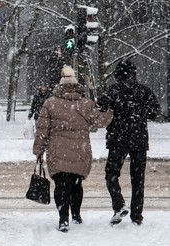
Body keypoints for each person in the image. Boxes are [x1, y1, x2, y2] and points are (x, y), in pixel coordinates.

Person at [33, 65, 113, 233]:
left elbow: (42, 129)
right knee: (76, 184)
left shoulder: (50, 103)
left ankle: (63, 218)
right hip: (80, 149)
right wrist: (111, 111)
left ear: (60, 86)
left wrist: (38, 150)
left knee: (61, 185)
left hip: (57, 150)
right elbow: (100, 122)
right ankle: (76, 214)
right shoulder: (86, 104)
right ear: (77, 86)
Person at [97, 59, 160, 226]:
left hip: (118, 138)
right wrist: (139, 113)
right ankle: (136, 216)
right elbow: (154, 113)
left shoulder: (113, 91)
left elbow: (100, 107)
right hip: (139, 138)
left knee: (111, 173)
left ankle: (118, 204)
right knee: (138, 178)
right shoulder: (144, 91)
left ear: (118, 74)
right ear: (134, 73)